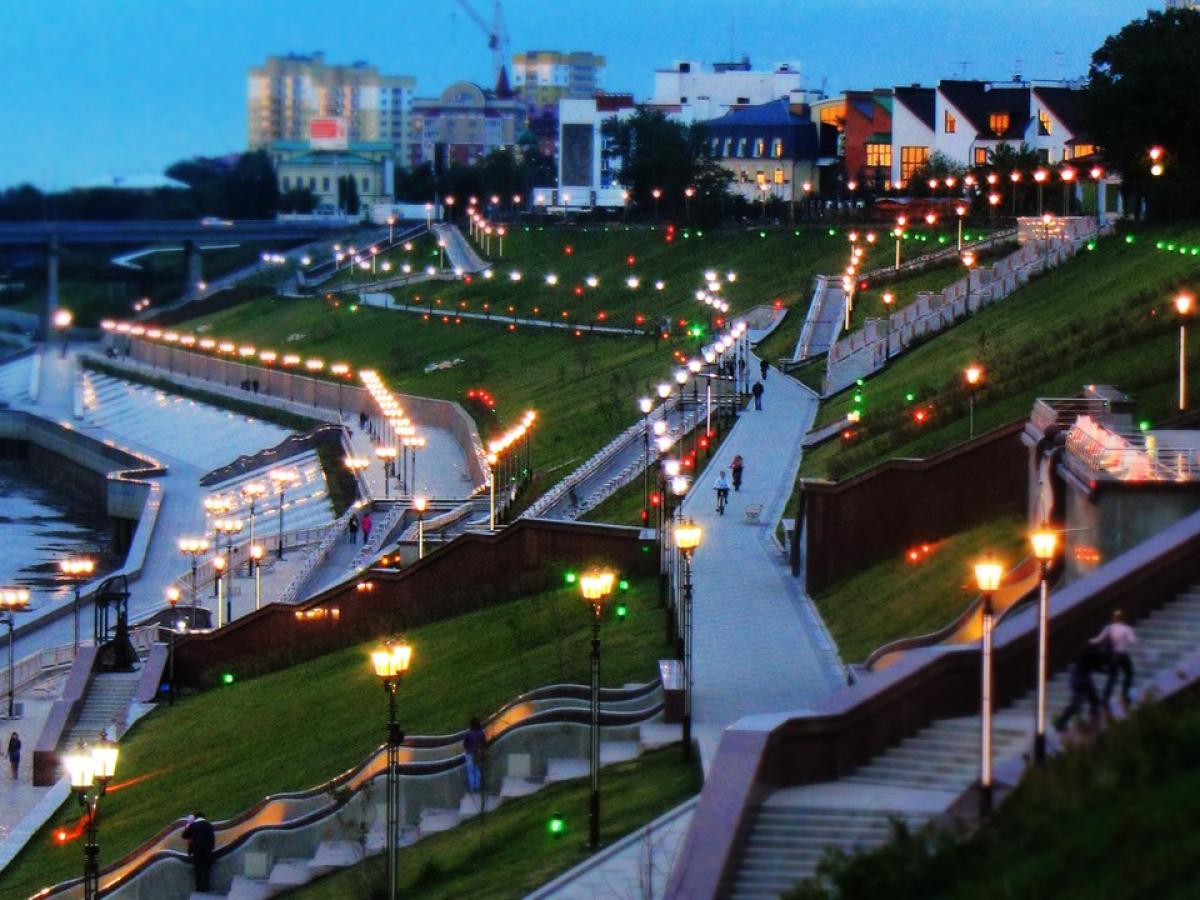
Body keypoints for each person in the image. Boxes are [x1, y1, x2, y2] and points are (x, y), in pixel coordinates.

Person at [1054, 641, 1112, 733]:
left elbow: (1096, 665)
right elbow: (1097, 665)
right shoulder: (1093, 653)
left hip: (1078, 676)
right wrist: (1107, 668)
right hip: (1081, 678)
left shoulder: (1090, 650)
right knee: (1085, 702)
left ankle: (1061, 723)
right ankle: (1062, 723)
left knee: (1086, 702)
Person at [1092, 609, 1137, 707]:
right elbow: (1132, 641)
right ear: (1122, 618)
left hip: (1112, 655)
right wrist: (1124, 640)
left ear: (1113, 618)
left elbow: (1098, 639)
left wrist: (1090, 642)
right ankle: (1125, 694)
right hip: (1122, 654)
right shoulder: (1126, 628)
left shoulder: (1108, 628)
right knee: (1129, 673)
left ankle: (1105, 699)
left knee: (1112, 677)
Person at [182, 811, 216, 892]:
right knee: (206, 869)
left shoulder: (193, 826)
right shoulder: (208, 825)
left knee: (198, 869)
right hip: (207, 850)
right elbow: (212, 837)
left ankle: (199, 888)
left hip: (197, 851)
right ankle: (206, 887)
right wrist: (211, 847)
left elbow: (184, 836)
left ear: (196, 818)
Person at [463, 717, 487, 794]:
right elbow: (484, 743)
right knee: (477, 770)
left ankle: (472, 788)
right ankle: (477, 787)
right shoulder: (481, 733)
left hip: (469, 754)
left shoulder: (468, 733)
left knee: (471, 771)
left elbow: (465, 744)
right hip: (478, 754)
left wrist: (469, 748)